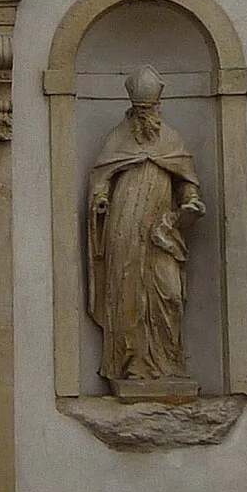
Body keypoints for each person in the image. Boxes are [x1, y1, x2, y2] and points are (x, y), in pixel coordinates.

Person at [86, 67, 204, 385]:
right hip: (123, 231)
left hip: (162, 232)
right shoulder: (118, 140)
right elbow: (102, 177)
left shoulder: (172, 140)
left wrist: (190, 200)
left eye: (149, 110)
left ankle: (168, 363)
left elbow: (185, 181)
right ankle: (132, 364)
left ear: (158, 108)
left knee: (170, 295)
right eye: (139, 111)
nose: (144, 117)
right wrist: (101, 198)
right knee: (127, 294)